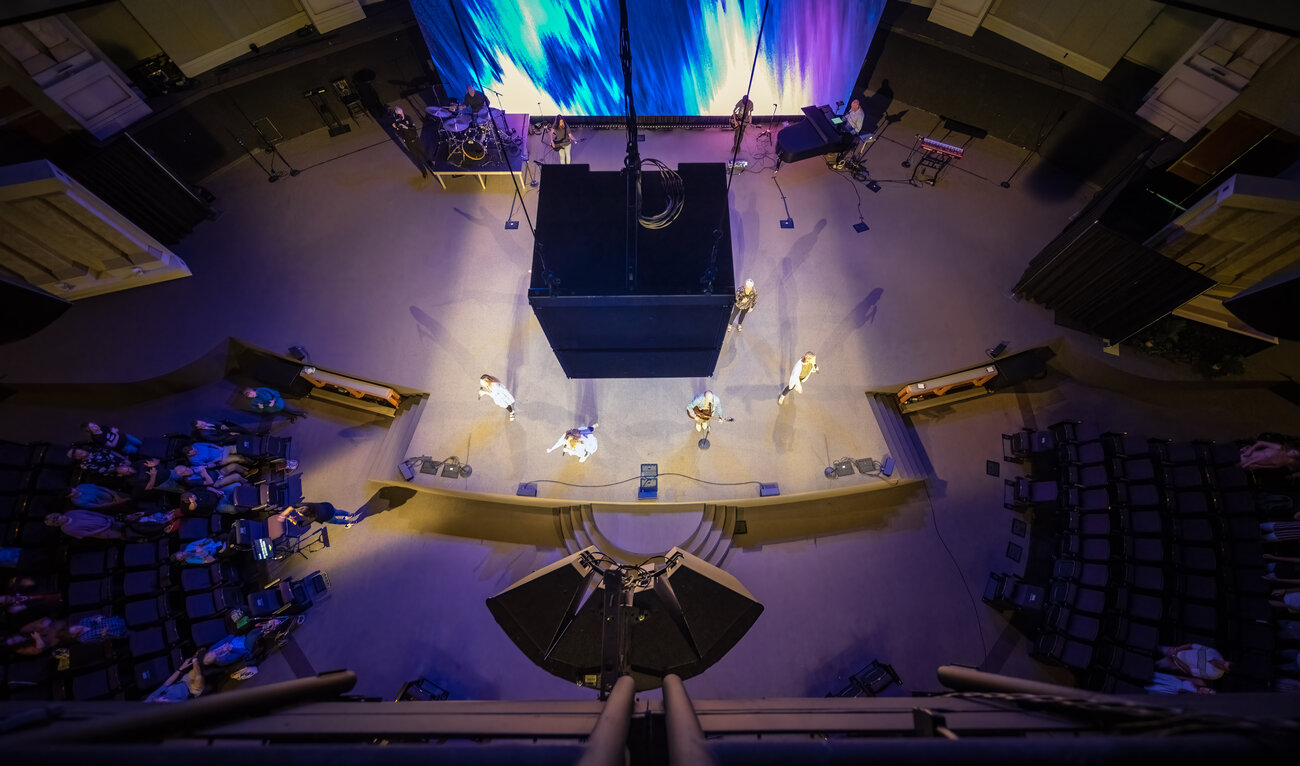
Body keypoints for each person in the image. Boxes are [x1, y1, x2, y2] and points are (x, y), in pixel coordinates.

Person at [390, 106, 434, 177]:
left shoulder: (408, 118)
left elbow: (414, 128)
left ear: (402, 112)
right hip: (408, 142)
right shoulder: (397, 122)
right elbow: (400, 135)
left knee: (424, 153)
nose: (398, 116)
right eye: (396, 114)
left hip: (416, 139)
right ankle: (424, 172)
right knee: (417, 158)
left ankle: (431, 166)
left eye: (399, 113)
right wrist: (397, 128)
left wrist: (406, 127)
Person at [1155, 643, 1231, 680]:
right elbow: (1192, 646)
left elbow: (1189, 671)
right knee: (1155, 646)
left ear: (1225, 671)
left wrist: (1174, 658)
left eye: (1223, 666)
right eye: (1224, 662)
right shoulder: (1215, 653)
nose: (1221, 662)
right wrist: (1176, 650)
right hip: (1177, 651)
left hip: (1175, 663)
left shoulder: (1214, 674)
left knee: (1156, 665)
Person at [67, 446, 131, 478]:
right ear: (78, 458)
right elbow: (106, 471)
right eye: (81, 453)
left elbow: (110, 451)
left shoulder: (93, 449)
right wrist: (123, 468)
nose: (84, 452)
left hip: (124, 460)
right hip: (121, 470)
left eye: (82, 451)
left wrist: (124, 458)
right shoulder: (86, 465)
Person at [1145, 671, 1215, 695]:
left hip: (1172, 691)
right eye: (1209, 690)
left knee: (1151, 687)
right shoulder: (1200, 682)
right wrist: (1173, 677)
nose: (1206, 691)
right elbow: (1185, 678)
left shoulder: (1196, 697)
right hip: (1174, 681)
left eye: (1208, 693)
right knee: (1152, 676)